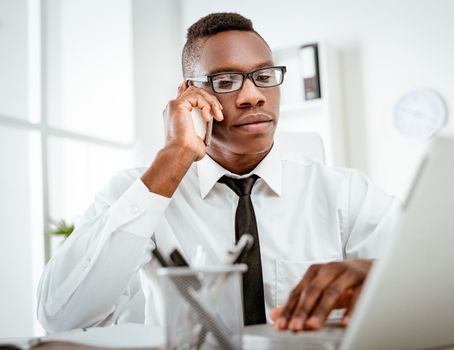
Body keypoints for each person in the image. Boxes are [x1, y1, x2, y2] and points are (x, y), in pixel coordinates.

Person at [37, 12, 399, 333]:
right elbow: (61, 317)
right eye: (226, 81)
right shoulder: (138, 191)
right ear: (190, 95)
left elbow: (434, 284)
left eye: (265, 76)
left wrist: (377, 274)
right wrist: (173, 157)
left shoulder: (345, 192)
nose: (252, 96)